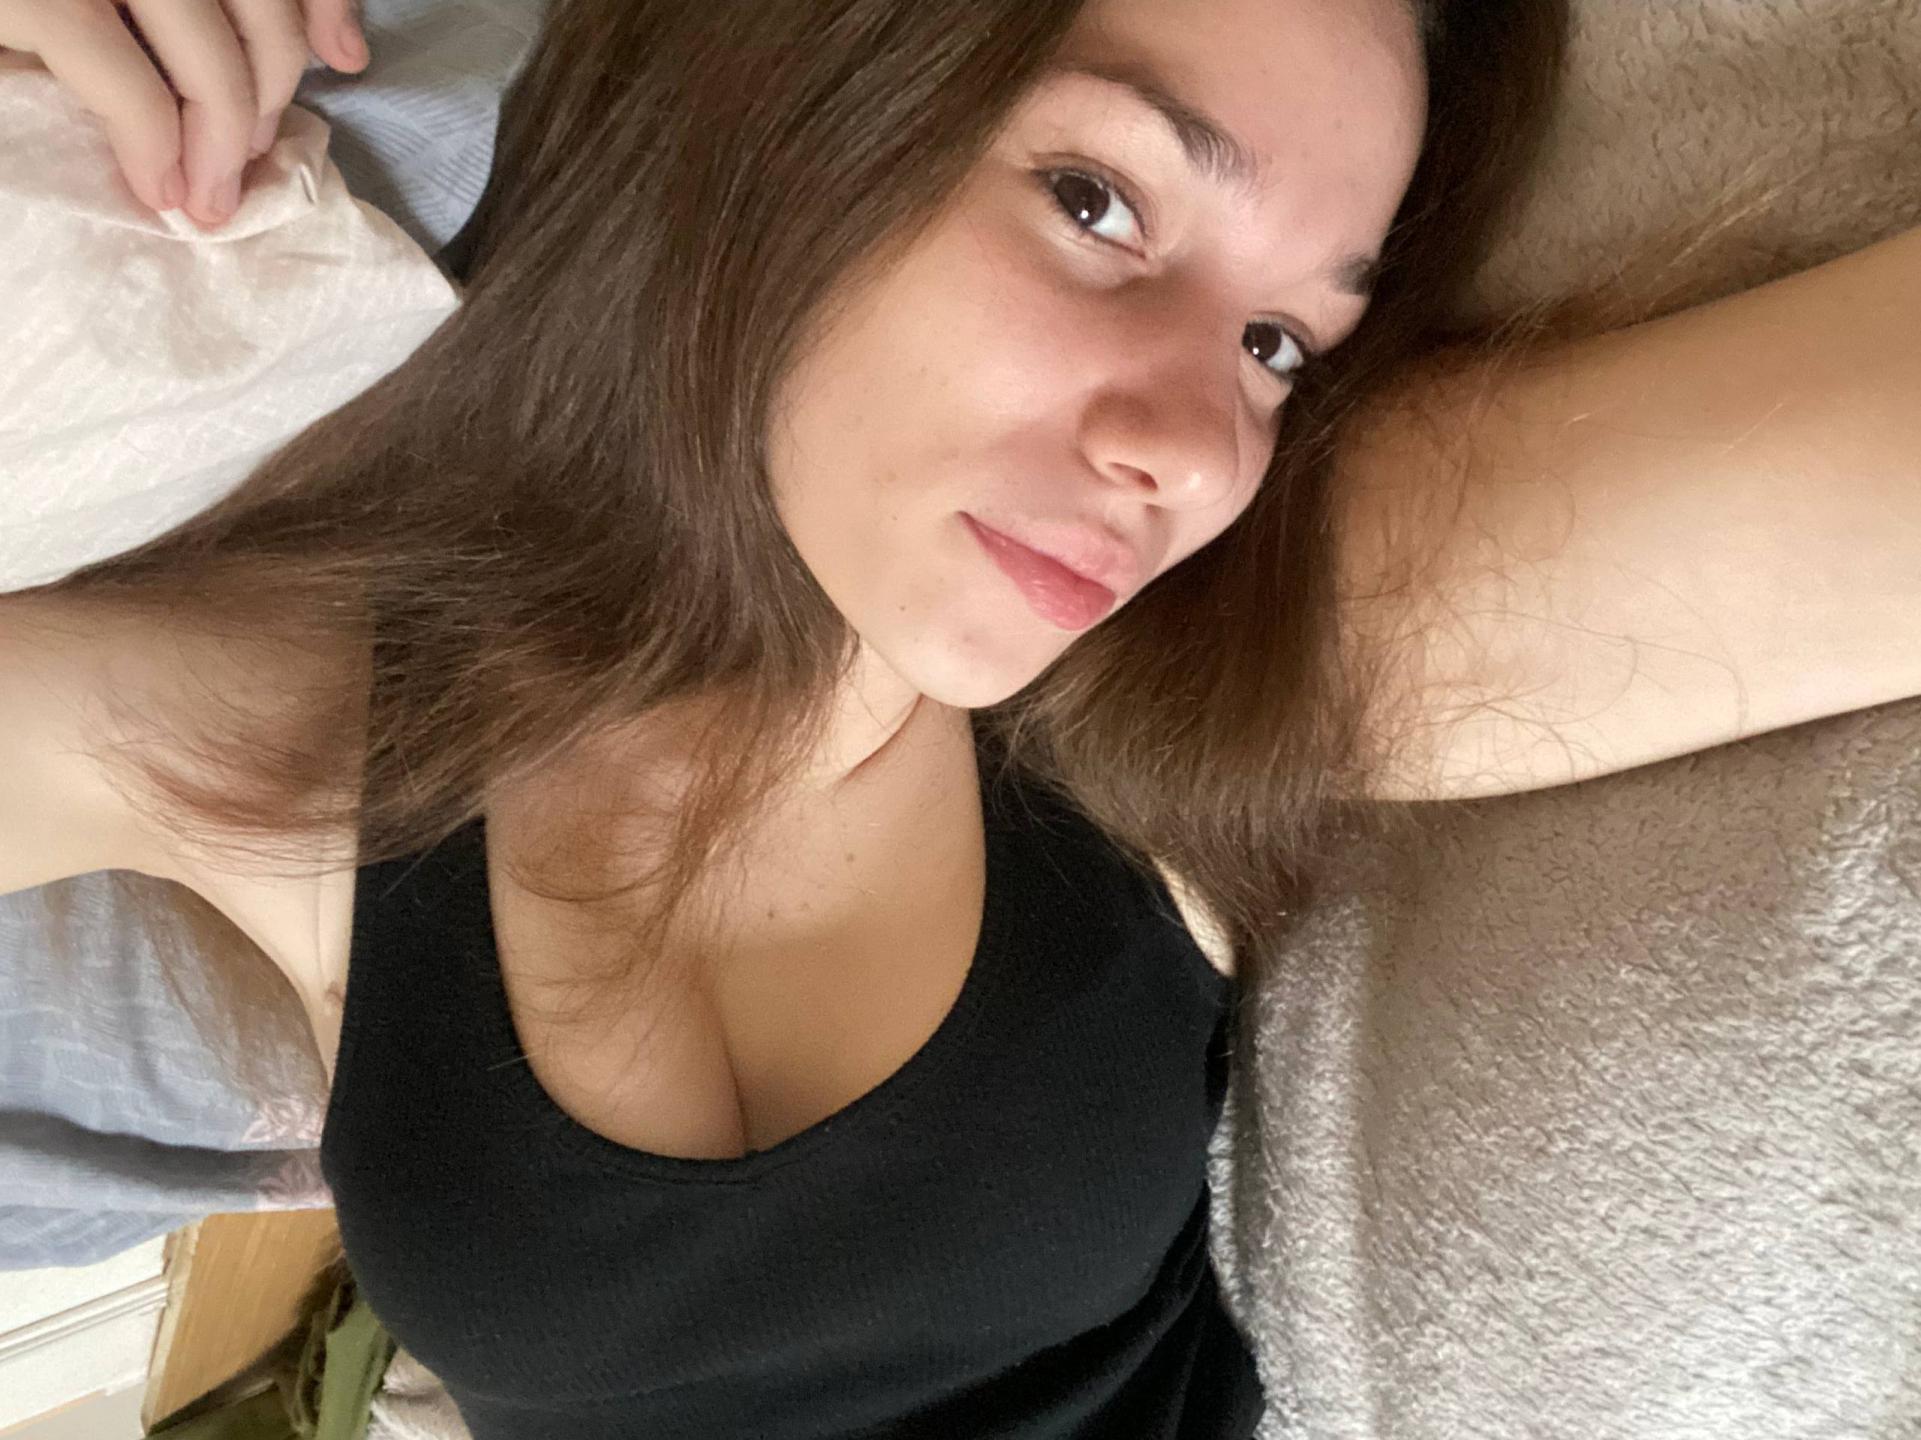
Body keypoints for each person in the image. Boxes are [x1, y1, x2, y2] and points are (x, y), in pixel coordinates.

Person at [3, 0, 1918, 1435]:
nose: (1194, 452)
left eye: (1278, 345)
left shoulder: (1197, 651)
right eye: (1099, 202)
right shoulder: (304, 717)